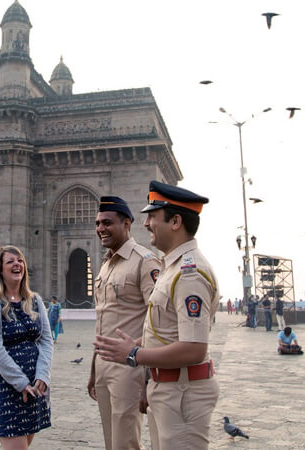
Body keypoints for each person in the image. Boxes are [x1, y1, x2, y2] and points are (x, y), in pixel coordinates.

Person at [94, 180, 220, 450]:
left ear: (175, 221)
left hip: (183, 393)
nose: (147, 223)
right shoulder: (170, 268)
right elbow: (165, 331)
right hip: (168, 389)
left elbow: (194, 348)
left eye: (152, 216)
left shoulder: (189, 273)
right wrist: (135, 347)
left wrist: (133, 355)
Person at [89, 196, 160, 450]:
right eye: (98, 223)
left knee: (124, 443)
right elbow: (103, 320)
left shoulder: (145, 261)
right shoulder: (106, 264)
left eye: (107, 222)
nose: (100, 229)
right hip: (104, 366)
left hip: (129, 367)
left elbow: (158, 321)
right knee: (112, 443)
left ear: (127, 223)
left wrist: (148, 375)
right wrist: (94, 368)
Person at [0, 246, 52, 449]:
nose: (16, 264)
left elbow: (46, 340)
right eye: (10, 261)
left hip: (35, 388)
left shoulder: (34, 300)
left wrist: (42, 376)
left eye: (19, 260)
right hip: (8, 388)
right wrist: (20, 382)